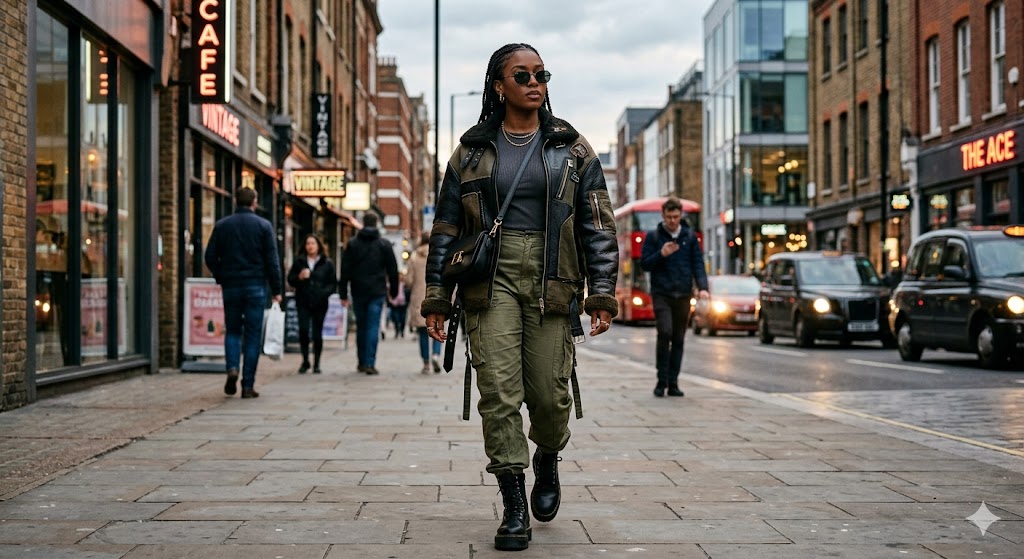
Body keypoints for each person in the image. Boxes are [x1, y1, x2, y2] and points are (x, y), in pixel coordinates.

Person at [421, 43, 618, 552]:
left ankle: (547, 458)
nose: (535, 82)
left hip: (554, 278)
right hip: (491, 279)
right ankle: (513, 507)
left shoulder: (572, 148)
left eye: (542, 73)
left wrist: (602, 292)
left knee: (551, 395)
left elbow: (597, 224)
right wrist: (437, 297)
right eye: (522, 74)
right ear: (498, 85)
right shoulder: (469, 151)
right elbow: (445, 228)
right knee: (499, 392)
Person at [204, 187, 283, 399]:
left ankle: (232, 368)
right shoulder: (264, 226)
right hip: (256, 286)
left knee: (232, 330)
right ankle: (247, 386)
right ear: (254, 202)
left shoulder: (222, 226)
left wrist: (221, 276)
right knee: (252, 335)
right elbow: (272, 261)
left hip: (231, 286)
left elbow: (209, 256)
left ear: (235, 201)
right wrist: (277, 290)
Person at [640, 197, 708, 398]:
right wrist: (661, 253)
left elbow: (698, 263)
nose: (672, 220)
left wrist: (702, 287)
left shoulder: (689, 237)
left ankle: (674, 383)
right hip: (662, 293)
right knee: (665, 332)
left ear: (681, 215)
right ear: (663, 216)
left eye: (676, 217)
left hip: (684, 293)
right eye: (669, 217)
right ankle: (661, 381)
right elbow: (645, 264)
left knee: (678, 338)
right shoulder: (653, 237)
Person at [338, 213, 399, 375]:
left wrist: (343, 293)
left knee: (362, 327)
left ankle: (362, 362)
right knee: (373, 326)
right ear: (377, 223)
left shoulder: (353, 244)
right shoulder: (384, 244)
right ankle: (370, 363)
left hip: (358, 291)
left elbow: (345, 270)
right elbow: (393, 270)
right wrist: (394, 291)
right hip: (377, 291)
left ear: (363, 224)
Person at [286, 234, 337, 374]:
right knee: (303, 330)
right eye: (308, 243)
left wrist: (323, 293)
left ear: (318, 245)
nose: (310, 246)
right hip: (303, 300)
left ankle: (317, 363)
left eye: (313, 243)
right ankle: (305, 360)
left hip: (320, 302)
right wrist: (299, 277)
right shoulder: (299, 262)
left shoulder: (327, 263)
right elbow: (290, 279)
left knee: (317, 333)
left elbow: (333, 284)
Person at [405, 233, 442, 374]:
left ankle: (426, 363)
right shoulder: (440, 256)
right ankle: (436, 355)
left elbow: (408, 280)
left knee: (422, 332)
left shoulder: (414, 258)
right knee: (438, 328)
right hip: (437, 296)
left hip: (419, 300)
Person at [386, 274, 409, 339]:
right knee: (396, 318)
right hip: (394, 303)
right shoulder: (393, 284)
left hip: (403, 303)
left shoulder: (405, 285)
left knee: (403, 318)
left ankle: (402, 330)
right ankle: (397, 330)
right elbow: (389, 292)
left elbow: (408, 292)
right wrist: (390, 300)